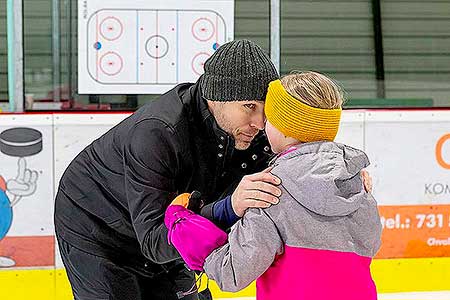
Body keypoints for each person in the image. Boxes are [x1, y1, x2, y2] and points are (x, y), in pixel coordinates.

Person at [54, 39, 283, 300]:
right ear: (216, 97)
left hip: (171, 225)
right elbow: (153, 242)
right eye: (249, 107)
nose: (259, 123)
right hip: (97, 228)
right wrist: (228, 209)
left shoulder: (253, 135)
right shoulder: (158, 133)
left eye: (266, 109)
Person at [165, 71, 382, 300]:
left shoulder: (271, 189)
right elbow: (370, 243)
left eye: (268, 119)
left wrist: (183, 224)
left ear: (284, 126)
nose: (261, 125)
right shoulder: (357, 186)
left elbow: (232, 273)